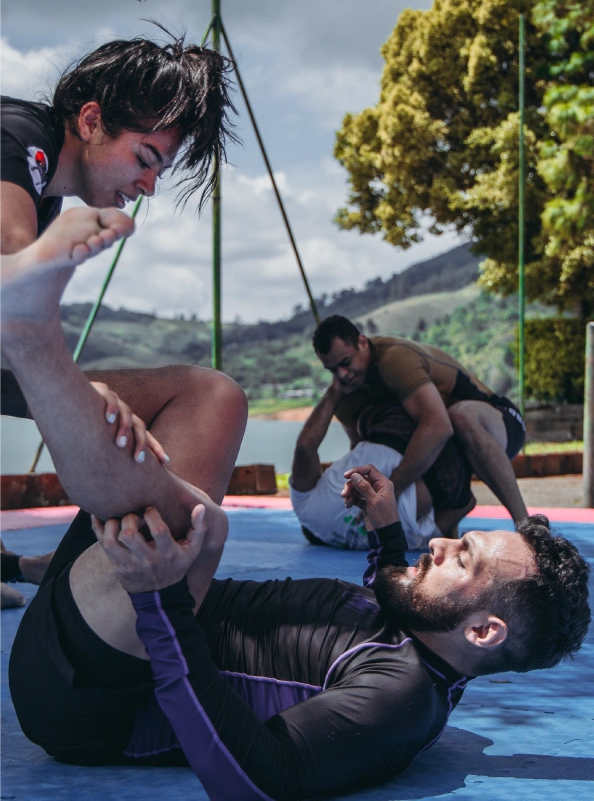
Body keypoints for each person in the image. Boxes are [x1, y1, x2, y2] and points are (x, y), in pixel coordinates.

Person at [5, 217, 590, 801]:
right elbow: (383, 604)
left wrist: (159, 604)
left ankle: (30, 347)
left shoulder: (402, 699)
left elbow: (257, 779)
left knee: (204, 523)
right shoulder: (427, 637)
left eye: (460, 559)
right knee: (210, 397)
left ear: (484, 632)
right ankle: (20, 418)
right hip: (92, 622)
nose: (438, 543)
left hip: (84, 693)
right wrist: (387, 528)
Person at [0, 29, 236, 606]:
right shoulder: (16, 139)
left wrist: (75, 391)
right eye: (145, 158)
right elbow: (11, 273)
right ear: (90, 120)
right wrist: (71, 388)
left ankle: (77, 577)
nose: (150, 185)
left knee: (211, 394)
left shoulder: (46, 188)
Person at [311, 315, 529, 534]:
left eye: (346, 362)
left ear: (363, 342)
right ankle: (451, 524)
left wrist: (391, 490)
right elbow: (366, 451)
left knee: (457, 417)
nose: (342, 375)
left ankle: (528, 528)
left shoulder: (393, 358)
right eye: (332, 370)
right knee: (402, 439)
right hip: (449, 447)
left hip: (501, 425)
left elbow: (439, 427)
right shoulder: (345, 393)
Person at [290, 375, 447, 549]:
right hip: (387, 428)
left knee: (455, 497)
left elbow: (461, 506)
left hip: (436, 476)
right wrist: (335, 391)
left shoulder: (406, 543)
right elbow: (305, 447)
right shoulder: (307, 513)